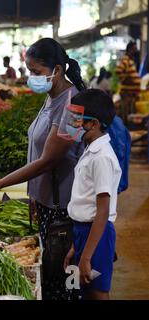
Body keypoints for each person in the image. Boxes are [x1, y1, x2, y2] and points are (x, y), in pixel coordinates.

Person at [0, 38, 86, 300]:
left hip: (64, 210)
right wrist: (34, 194)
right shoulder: (52, 97)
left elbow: (49, 159)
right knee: (51, 279)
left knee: (64, 284)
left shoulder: (75, 106)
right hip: (48, 204)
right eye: (29, 71)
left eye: (36, 72)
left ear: (57, 70)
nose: (30, 78)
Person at [63, 89, 121, 300]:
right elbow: (84, 204)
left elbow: (102, 212)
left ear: (94, 124)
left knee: (97, 292)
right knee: (85, 290)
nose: (72, 124)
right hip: (83, 233)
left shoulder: (102, 158)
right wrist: (75, 247)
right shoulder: (90, 149)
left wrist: (86, 256)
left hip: (97, 233)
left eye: (77, 119)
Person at [115, 41, 141, 125]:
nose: (136, 50)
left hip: (131, 94)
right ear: (130, 49)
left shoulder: (130, 60)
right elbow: (118, 71)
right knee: (126, 114)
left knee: (130, 114)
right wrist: (126, 79)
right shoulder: (126, 59)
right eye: (135, 48)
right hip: (127, 94)